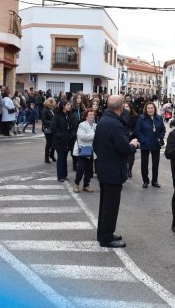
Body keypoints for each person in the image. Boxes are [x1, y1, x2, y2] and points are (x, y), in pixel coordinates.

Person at [93, 95, 139, 248]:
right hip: (113, 171)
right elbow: (123, 148)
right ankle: (107, 238)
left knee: (105, 206)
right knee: (110, 207)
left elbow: (96, 146)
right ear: (120, 108)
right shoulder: (115, 124)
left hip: (104, 168)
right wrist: (132, 144)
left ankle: (103, 234)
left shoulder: (103, 121)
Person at [135, 101, 166, 188]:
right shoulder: (141, 118)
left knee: (155, 164)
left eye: (152, 108)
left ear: (154, 109)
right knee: (144, 164)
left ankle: (154, 181)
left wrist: (161, 137)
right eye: (148, 108)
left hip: (156, 144)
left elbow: (163, 129)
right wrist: (142, 140)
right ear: (146, 109)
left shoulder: (159, 118)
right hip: (145, 144)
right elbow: (137, 130)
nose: (150, 110)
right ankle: (145, 181)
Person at [51, 100, 76, 182]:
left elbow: (73, 127)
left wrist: (73, 133)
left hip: (68, 141)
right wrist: (62, 135)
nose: (70, 106)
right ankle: (60, 176)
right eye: (68, 105)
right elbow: (54, 128)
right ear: (63, 106)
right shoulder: (57, 116)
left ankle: (64, 175)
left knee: (64, 158)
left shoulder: (70, 115)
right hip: (59, 141)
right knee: (61, 158)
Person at [73, 109, 96, 193]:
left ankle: (86, 185)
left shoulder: (95, 125)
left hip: (91, 150)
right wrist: (94, 135)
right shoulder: (82, 125)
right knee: (81, 168)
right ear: (86, 116)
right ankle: (76, 184)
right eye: (90, 114)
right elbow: (82, 136)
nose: (92, 116)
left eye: (93, 114)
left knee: (89, 169)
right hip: (83, 149)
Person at [123, 102, 139, 178]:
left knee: (131, 154)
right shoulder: (121, 115)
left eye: (127, 107)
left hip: (132, 137)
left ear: (130, 108)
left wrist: (132, 133)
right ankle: (125, 167)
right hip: (123, 136)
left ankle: (130, 169)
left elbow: (137, 127)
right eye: (124, 107)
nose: (126, 108)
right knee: (124, 153)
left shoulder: (135, 116)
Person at [42, 98, 57, 164]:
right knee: (49, 143)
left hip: (52, 128)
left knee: (53, 143)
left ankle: (52, 156)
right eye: (54, 102)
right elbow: (43, 120)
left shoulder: (51, 110)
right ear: (50, 103)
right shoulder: (45, 110)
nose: (55, 103)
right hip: (47, 129)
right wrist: (52, 122)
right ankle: (46, 158)